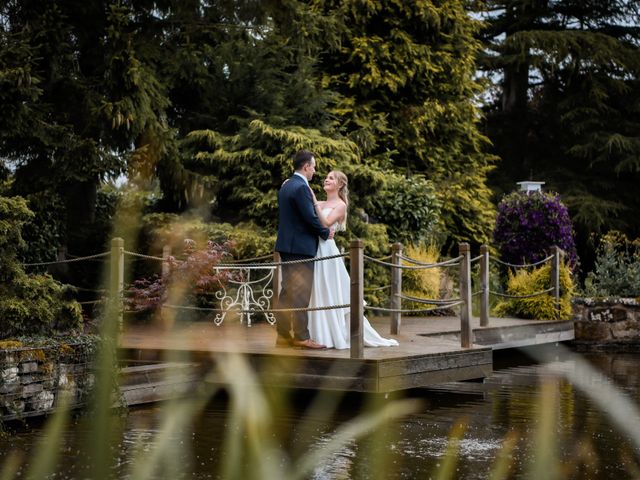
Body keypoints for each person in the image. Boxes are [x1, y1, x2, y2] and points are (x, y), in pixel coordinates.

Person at [307, 170, 399, 349]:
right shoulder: (322, 202)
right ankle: (317, 333)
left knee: (329, 290)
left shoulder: (340, 205)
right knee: (316, 290)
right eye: (326, 177)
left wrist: (313, 200)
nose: (326, 179)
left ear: (340, 185)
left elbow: (326, 223)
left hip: (327, 251)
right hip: (314, 249)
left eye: (331, 178)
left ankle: (335, 334)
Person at [274, 150, 333, 349]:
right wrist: (326, 233)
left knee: (286, 292)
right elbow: (309, 217)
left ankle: (283, 336)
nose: (314, 171)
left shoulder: (286, 185)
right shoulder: (301, 188)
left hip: (287, 246)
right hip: (300, 247)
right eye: (314, 167)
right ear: (306, 166)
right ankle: (301, 337)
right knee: (300, 293)